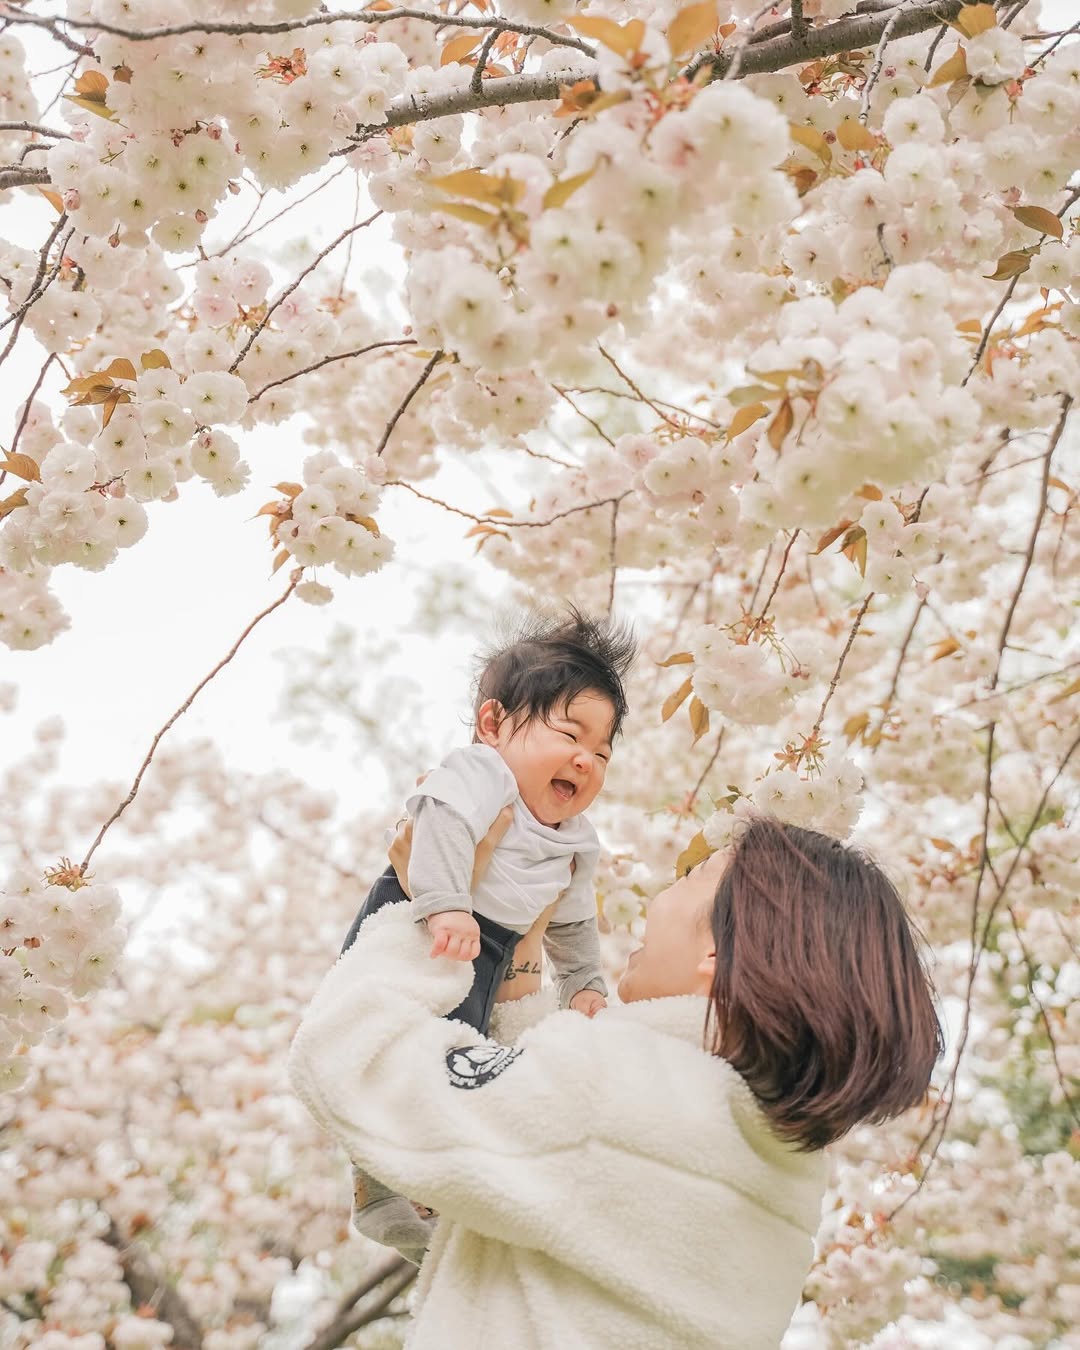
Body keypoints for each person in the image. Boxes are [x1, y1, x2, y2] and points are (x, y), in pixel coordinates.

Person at [289, 814, 943, 1350]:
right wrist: (520, 969)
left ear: (715, 955)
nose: (662, 897)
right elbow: (552, 1204)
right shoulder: (779, 1167)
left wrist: (424, 906)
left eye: (692, 878)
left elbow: (357, 1062)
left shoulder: (611, 1096)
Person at [337, 607, 636, 1263]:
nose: (585, 760)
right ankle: (380, 1178)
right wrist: (446, 905)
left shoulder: (575, 839)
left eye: (602, 753)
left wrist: (583, 982)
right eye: (569, 734)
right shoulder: (483, 774)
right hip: (422, 913)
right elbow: (439, 823)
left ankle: (410, 1185)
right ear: (493, 725)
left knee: (461, 1056)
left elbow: (573, 917)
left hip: (490, 949)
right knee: (408, 1040)